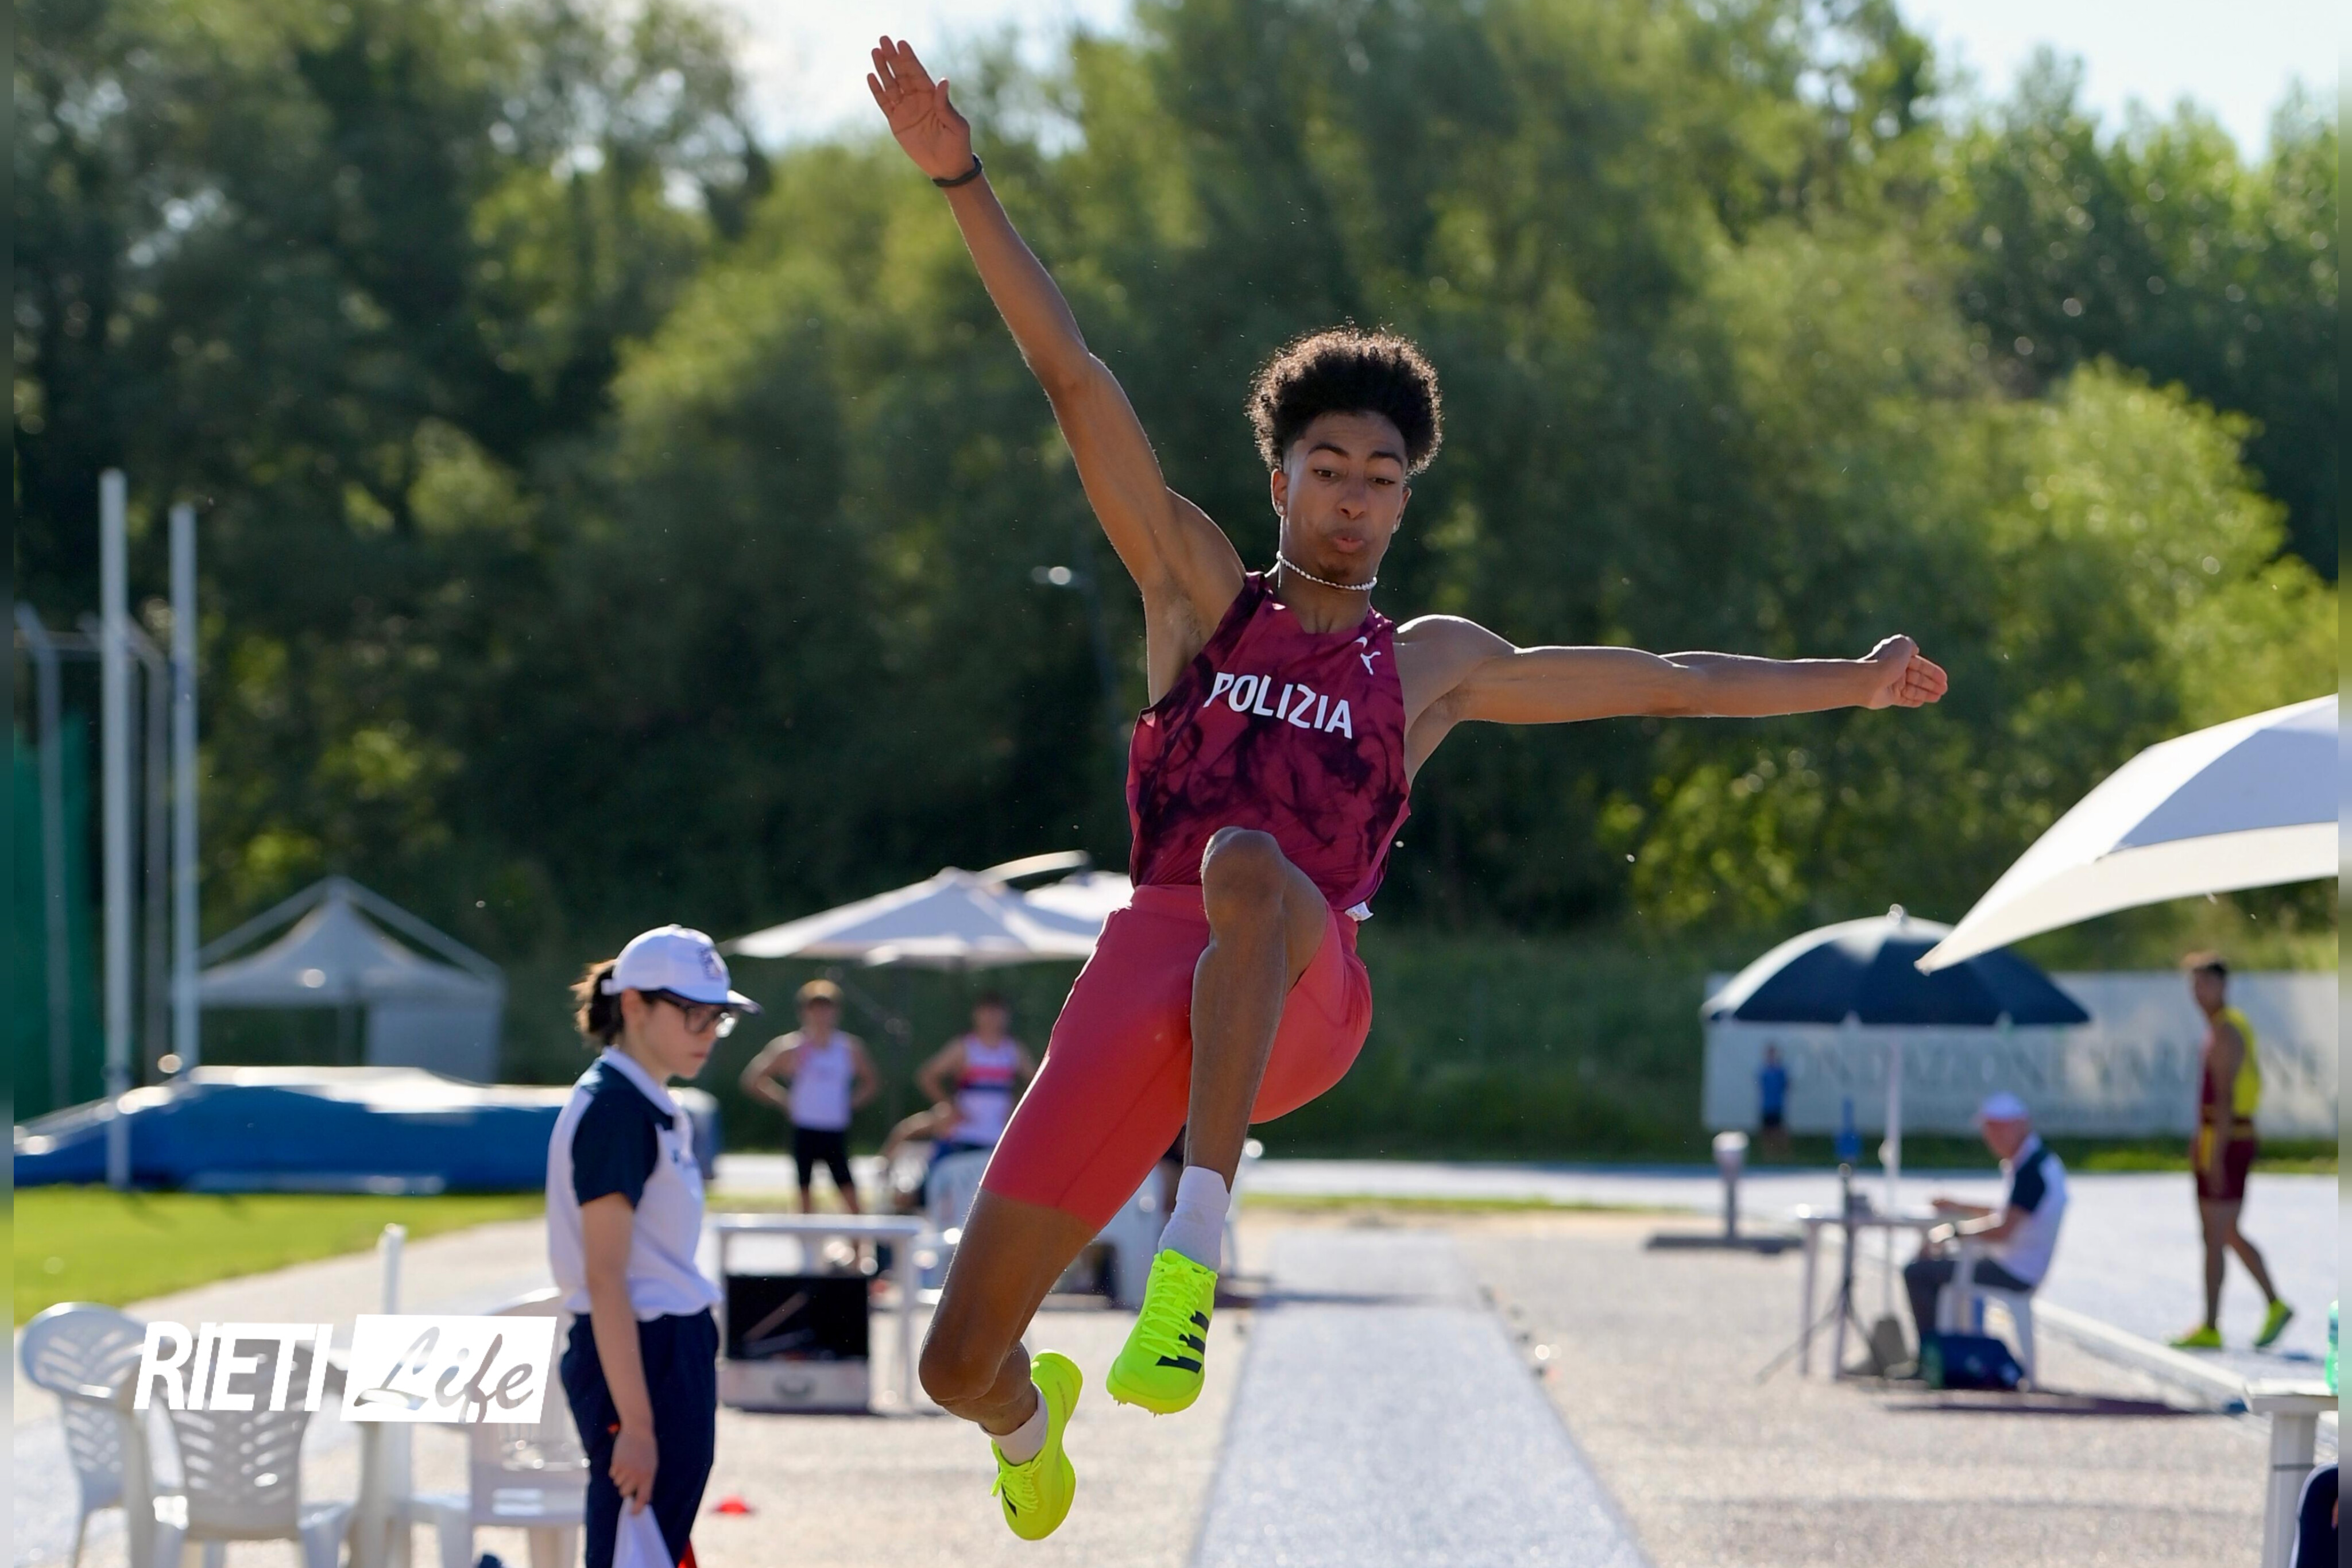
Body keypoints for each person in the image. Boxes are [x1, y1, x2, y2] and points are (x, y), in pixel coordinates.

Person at [865, 34, 1949, 1540]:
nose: (1354, 497)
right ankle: (1029, 1421)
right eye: (1328, 468)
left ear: (1403, 501)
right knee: (952, 1363)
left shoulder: (1428, 664)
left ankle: (1193, 1245)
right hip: (1146, 973)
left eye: (1382, 477)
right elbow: (1071, 375)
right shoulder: (1194, 593)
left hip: (1302, 987)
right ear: (1281, 480)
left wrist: (1855, 677)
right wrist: (961, 181)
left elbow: (1667, 679)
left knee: (1249, 863)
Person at [547, 926, 757, 1568]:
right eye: (693, 1012)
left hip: (667, 1346)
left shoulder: (652, 1102)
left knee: (654, 1548)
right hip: (640, 1352)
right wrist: (636, 1427)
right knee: (630, 1550)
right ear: (635, 1005)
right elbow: (605, 1276)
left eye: (718, 1016)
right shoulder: (615, 1109)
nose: (708, 1031)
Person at [2169, 953, 2292, 1350]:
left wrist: (2216, 1155)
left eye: (2205, 983)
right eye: (2194, 984)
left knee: (2216, 1234)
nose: (2198, 992)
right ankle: (2272, 1304)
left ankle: (2214, 1324)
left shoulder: (2225, 1031)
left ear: (2223, 985)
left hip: (2228, 1138)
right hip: (2222, 1137)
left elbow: (2223, 1099)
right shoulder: (2223, 1027)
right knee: (2222, 1231)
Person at [1901, 1093, 2067, 1362]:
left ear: (2021, 1126)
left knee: (1918, 1272)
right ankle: (1944, 1354)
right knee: (1935, 1265)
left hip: (2014, 1269)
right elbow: (2009, 1212)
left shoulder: (2031, 1170)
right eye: (1989, 1130)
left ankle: (1934, 1360)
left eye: (1999, 1129)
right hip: (2015, 1262)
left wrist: (1952, 1233)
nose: (1992, 1138)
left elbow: (2003, 1229)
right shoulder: (2035, 1161)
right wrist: (1958, 1206)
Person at [740, 979, 878, 1214]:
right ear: (804, 1011)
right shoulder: (791, 1047)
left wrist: (849, 1104)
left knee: (847, 1188)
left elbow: (871, 1082)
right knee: (804, 1190)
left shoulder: (848, 1048)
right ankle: (807, 1238)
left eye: (826, 1008)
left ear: (836, 1011)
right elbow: (753, 1079)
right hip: (805, 1127)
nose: (821, 1015)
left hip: (835, 1129)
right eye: (815, 1008)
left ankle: (859, 1238)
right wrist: (786, 1101)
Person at [914, 992, 1038, 1170]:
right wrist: (950, 1106)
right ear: (976, 1014)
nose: (992, 1018)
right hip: (964, 1136)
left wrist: (1017, 1107)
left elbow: (1036, 1082)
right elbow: (927, 1076)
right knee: (933, 1181)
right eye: (987, 1011)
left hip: (999, 1138)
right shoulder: (964, 1047)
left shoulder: (1013, 1050)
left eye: (997, 1011)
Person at [1756, 1045, 1790, 1160]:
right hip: (1766, 1105)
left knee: (1779, 1131)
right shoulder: (1764, 1071)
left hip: (1777, 1105)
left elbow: (1787, 1085)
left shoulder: (1780, 1071)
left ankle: (1783, 1154)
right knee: (1766, 1131)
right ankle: (1768, 1155)